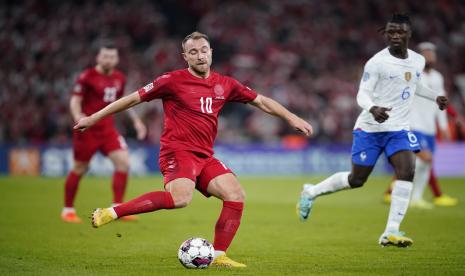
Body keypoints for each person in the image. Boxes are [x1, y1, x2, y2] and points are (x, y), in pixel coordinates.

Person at [74, 31, 313, 267]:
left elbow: (261, 101)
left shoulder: (225, 84)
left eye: (204, 51)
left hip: (204, 154)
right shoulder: (171, 81)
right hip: (177, 151)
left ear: (211, 53)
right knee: (181, 199)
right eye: (193, 52)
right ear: (185, 57)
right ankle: (113, 212)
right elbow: (132, 99)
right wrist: (94, 117)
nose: (200, 56)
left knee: (235, 194)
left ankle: (219, 256)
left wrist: (291, 117)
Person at [296, 14, 448, 247]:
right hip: (370, 128)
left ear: (409, 34)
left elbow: (414, 84)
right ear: (385, 34)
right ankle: (311, 191)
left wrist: (434, 96)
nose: (395, 35)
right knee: (357, 179)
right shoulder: (377, 62)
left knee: (407, 170)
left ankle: (390, 232)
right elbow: (362, 93)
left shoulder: (417, 60)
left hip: (398, 128)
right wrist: (372, 107)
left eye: (400, 31)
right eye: (391, 31)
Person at [61, 44, 147, 223]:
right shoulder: (87, 77)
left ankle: (117, 208)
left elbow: (124, 103)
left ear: (117, 59)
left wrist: (137, 121)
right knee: (80, 168)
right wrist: (78, 116)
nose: (108, 60)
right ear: (98, 58)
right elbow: (75, 100)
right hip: (87, 130)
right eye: (105, 56)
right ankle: (68, 210)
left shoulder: (119, 78)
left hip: (108, 129)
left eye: (112, 57)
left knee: (123, 162)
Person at [383, 42, 458, 208]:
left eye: (431, 54)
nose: (429, 56)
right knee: (424, 158)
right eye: (425, 54)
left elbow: (441, 103)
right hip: (413, 124)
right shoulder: (413, 74)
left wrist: (443, 125)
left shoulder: (438, 77)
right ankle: (405, 194)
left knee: (424, 163)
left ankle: (412, 197)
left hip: (430, 127)